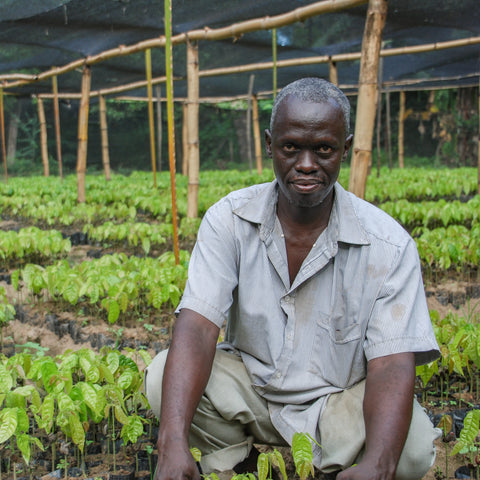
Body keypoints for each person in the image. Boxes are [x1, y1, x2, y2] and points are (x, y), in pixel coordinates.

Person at [145, 77, 441, 480]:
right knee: (164, 377)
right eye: (290, 147)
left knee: (411, 450)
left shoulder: (389, 245)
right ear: (270, 144)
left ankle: (346, 469)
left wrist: (378, 464)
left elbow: (391, 365)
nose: (305, 164)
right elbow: (197, 325)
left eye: (323, 149)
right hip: (252, 389)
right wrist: (171, 442)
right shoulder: (229, 220)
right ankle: (236, 461)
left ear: (345, 150)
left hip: (336, 405)